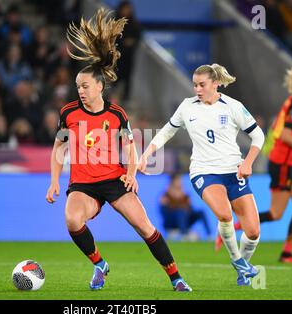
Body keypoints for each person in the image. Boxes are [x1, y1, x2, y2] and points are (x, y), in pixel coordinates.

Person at [45, 8, 191, 292]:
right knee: (72, 219)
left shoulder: (116, 115)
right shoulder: (69, 113)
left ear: (99, 86)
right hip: (83, 184)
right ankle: (99, 264)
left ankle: (176, 278)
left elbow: (130, 146)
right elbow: (58, 149)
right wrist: (54, 181)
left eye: (85, 86)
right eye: (78, 87)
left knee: (144, 227)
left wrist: (131, 173)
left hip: (114, 180)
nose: (81, 91)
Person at [139, 64, 265, 286]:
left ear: (215, 84)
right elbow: (167, 131)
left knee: (253, 232)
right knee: (225, 214)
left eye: (202, 84)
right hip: (204, 171)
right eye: (195, 84)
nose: (197, 89)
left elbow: (258, 137)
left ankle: (242, 268)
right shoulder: (187, 107)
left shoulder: (233, 106)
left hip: (234, 170)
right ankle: (237, 260)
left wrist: (248, 162)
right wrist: (146, 154)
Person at [220, 69, 292, 264]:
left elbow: (277, 131)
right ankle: (237, 226)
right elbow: (285, 135)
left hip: (289, 162)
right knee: (276, 213)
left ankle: (287, 253)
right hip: (283, 164)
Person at [159, 173, 211, 241]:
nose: (180, 182)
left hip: (185, 220)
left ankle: (209, 235)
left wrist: (186, 204)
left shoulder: (185, 196)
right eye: (178, 181)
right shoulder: (165, 195)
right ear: (172, 182)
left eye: (180, 180)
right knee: (180, 212)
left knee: (201, 212)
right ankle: (184, 235)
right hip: (172, 223)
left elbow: (191, 210)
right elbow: (164, 213)